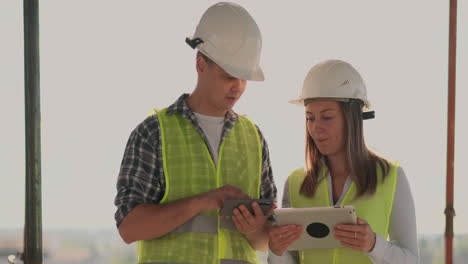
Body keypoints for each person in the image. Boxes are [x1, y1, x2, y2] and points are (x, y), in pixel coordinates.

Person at [113, 2, 277, 264]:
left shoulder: (253, 138)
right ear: (201, 65)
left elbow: (265, 240)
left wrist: (255, 229)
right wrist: (202, 201)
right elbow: (129, 228)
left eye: (243, 79)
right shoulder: (154, 133)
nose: (237, 88)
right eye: (228, 76)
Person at [267, 60, 419, 263]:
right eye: (310, 118)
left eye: (327, 117)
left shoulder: (391, 177)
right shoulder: (295, 183)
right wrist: (276, 251)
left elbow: (412, 260)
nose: (316, 127)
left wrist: (374, 245)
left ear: (353, 118)